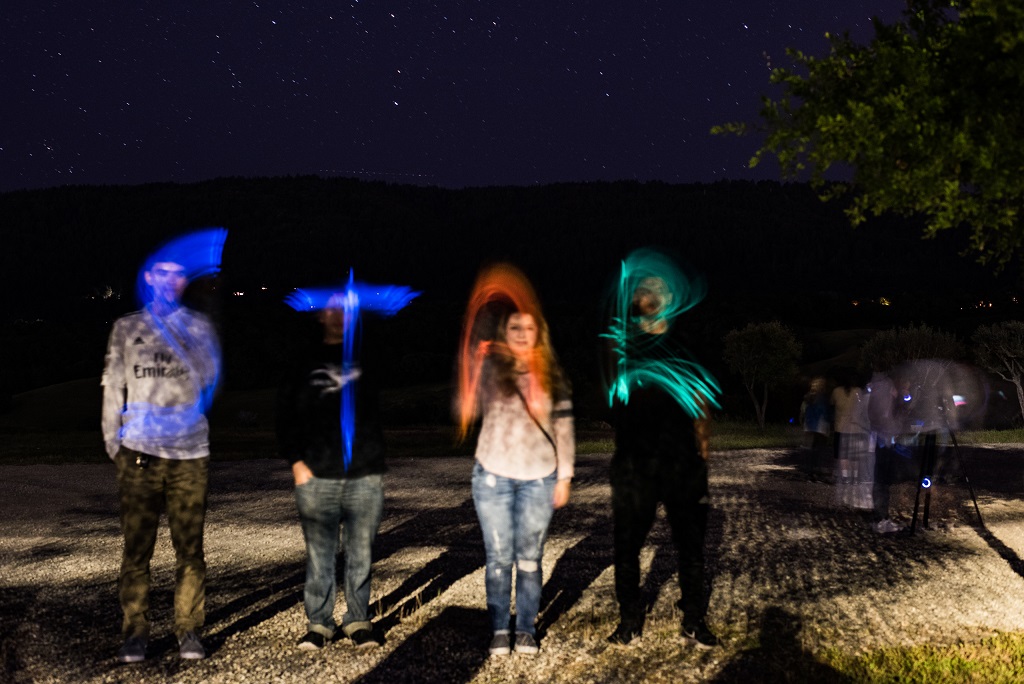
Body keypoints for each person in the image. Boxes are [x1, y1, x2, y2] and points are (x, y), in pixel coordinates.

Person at [101, 229, 226, 663]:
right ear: (149, 277)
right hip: (138, 453)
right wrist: (112, 442)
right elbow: (112, 387)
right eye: (163, 274)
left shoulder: (198, 326)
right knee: (137, 549)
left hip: (189, 454)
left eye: (179, 276)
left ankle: (188, 629)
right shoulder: (125, 328)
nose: (171, 282)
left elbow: (209, 379)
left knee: (190, 550)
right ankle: (135, 633)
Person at [603, 248, 721, 649]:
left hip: (680, 462)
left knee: (690, 547)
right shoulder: (622, 345)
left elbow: (703, 401)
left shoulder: (687, 344)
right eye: (641, 288)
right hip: (634, 464)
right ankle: (629, 619)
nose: (647, 293)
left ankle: (693, 619)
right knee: (626, 547)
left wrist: (702, 449)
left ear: (670, 298)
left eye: (655, 287)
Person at [456, 264, 574, 657]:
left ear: (539, 332)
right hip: (492, 476)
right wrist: (473, 362)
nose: (522, 334)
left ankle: (524, 629)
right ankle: (498, 631)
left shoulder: (553, 375)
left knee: (530, 558)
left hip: (540, 477)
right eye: (514, 328)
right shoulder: (491, 369)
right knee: (498, 558)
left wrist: (565, 476)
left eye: (529, 328)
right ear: (505, 333)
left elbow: (564, 428)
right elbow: (464, 408)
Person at [277, 295, 388, 651]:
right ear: (320, 315)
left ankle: (357, 619)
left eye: (346, 309)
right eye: (331, 308)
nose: (338, 315)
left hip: (364, 472)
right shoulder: (302, 360)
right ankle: (319, 624)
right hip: (316, 474)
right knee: (320, 555)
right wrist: (296, 463)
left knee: (361, 553)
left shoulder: (369, 355)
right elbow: (285, 414)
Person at [831, 370, 873, 510]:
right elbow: (861, 410)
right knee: (854, 456)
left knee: (843, 455)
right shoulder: (858, 392)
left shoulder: (837, 391)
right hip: (855, 429)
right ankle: (854, 478)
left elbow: (832, 405)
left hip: (840, 428)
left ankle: (845, 477)